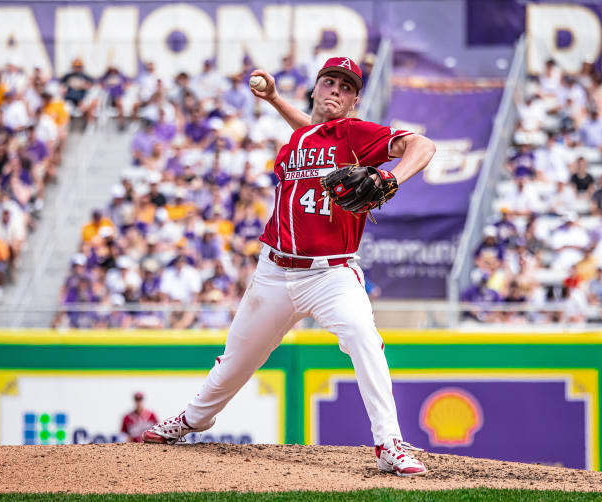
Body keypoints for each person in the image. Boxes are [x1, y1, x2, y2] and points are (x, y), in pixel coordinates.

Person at [143, 56, 437, 477]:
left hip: (331, 274)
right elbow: (308, 129)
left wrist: (392, 179)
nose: (337, 90)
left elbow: (422, 146)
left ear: (354, 101)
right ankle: (193, 419)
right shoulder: (298, 141)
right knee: (237, 361)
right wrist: (276, 98)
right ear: (316, 88)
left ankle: (388, 441)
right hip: (274, 272)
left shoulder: (353, 134)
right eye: (330, 82)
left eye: (347, 87)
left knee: (363, 338)